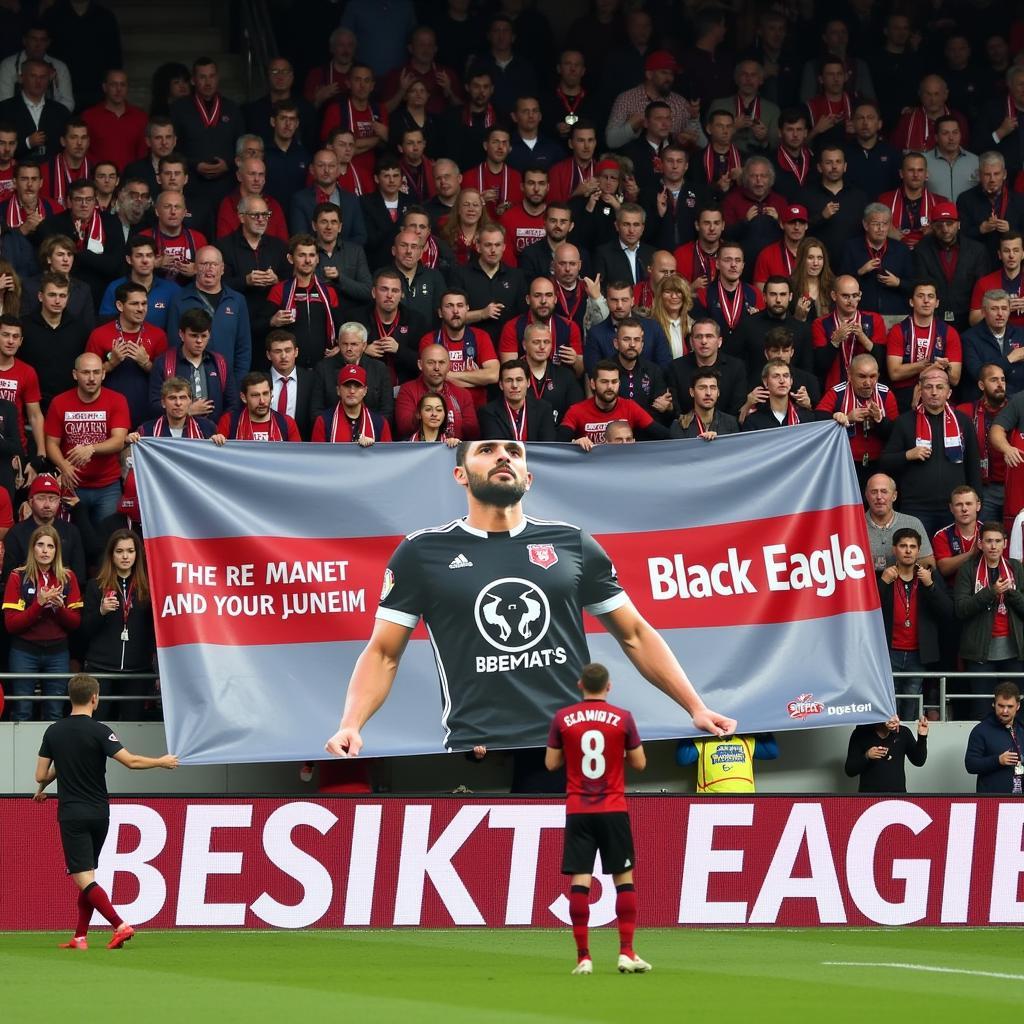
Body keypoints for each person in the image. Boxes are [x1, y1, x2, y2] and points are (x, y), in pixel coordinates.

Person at [325, 440, 735, 755]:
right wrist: (351, 724)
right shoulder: (422, 551)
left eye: (514, 452)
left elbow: (635, 634)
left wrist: (695, 707)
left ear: (528, 477)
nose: (503, 457)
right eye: (487, 450)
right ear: (460, 475)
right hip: (479, 751)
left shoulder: (572, 543)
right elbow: (382, 653)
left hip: (573, 746)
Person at [33, 672, 177, 950]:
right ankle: (80, 936)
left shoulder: (54, 731)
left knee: (83, 877)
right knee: (88, 876)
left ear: (70, 697)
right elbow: (131, 762)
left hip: (72, 813)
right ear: (94, 698)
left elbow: (41, 773)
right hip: (100, 813)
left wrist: (44, 785)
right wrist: (161, 761)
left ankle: (120, 925)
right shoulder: (100, 730)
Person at [544, 662, 650, 976]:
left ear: (580, 685)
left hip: (579, 809)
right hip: (613, 809)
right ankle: (626, 952)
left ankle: (583, 958)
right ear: (609, 686)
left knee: (580, 880)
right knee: (623, 879)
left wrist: (569, 751)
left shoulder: (563, 718)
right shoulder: (623, 718)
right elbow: (640, 763)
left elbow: (551, 764)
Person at [880, 366, 981, 538]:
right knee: (916, 560)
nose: (934, 392)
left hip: (955, 506)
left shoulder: (963, 422)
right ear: (920, 391)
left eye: (940, 387)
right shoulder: (904, 422)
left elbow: (973, 466)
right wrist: (908, 455)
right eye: (928, 387)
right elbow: (885, 462)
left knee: (954, 559)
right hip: (916, 507)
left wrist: (977, 502)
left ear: (949, 392)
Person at [3, 524, 82, 721]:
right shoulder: (17, 576)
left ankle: (51, 753)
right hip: (24, 652)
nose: (45, 550)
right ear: (32, 548)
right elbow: (11, 625)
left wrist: (58, 608)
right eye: (40, 545)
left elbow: (75, 624)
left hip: (58, 652)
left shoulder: (68, 577)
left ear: (57, 550)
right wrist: (38, 604)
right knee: (22, 711)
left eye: (50, 546)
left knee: (54, 712)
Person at [44, 353, 129, 527]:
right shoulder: (59, 402)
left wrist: (91, 448)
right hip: (72, 484)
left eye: (97, 372)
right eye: (86, 372)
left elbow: (119, 441)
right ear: (75, 374)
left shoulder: (117, 400)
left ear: (103, 374)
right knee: (70, 541)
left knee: (107, 543)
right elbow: (51, 443)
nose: (91, 378)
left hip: (108, 486)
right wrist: (63, 465)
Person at [877, 526, 953, 719]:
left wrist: (930, 585)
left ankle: (905, 744)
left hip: (918, 654)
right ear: (894, 549)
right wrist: (883, 583)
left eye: (912, 546)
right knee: (889, 702)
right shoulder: (885, 576)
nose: (908, 550)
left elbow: (948, 613)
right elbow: (869, 613)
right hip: (889, 651)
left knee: (911, 702)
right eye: (903, 546)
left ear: (919, 550)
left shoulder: (928, 577)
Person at [80, 530, 156, 721]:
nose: (125, 556)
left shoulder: (148, 587)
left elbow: (155, 631)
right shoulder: (95, 586)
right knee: (99, 723)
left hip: (137, 669)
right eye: (119, 551)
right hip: (101, 667)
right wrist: (101, 612)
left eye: (130, 551)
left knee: (134, 724)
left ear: (137, 554)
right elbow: (84, 630)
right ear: (111, 555)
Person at [954, 521, 1024, 719]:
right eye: (988, 541)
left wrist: (1012, 593)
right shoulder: (968, 569)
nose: (993, 546)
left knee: (1015, 713)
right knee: (982, 712)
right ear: (980, 544)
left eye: (997, 541)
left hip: (1014, 652)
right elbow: (960, 609)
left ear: (1005, 543)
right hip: (979, 652)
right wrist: (991, 592)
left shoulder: (1016, 568)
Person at [559, 361, 671, 447]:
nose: (610, 387)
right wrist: (574, 444)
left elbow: (665, 435)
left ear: (619, 383)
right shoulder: (576, 411)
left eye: (614, 382)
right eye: (604, 382)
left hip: (622, 467)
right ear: (593, 384)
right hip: (591, 469)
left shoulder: (630, 407)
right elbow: (558, 443)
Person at [964, 681, 1024, 792]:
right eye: (1001, 706)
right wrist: (998, 760)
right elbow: (970, 765)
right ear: (993, 704)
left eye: (1010, 706)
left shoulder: (1022, 729)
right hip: (992, 803)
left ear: (1018, 706)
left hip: (1020, 802)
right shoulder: (981, 731)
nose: (1005, 711)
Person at [845, 714, 928, 793]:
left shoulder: (903, 732)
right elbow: (850, 771)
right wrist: (867, 756)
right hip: (869, 796)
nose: (893, 720)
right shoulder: (860, 733)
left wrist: (922, 737)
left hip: (897, 796)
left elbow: (919, 761)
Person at [310, 364, 391, 445]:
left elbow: (387, 455)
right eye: (347, 386)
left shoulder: (380, 423)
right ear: (338, 390)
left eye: (357, 386)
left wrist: (372, 449)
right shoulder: (323, 421)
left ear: (365, 391)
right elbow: (317, 455)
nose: (352, 391)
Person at [477, 358, 555, 441]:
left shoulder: (543, 409)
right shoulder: (488, 412)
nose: (514, 385)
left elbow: (547, 446)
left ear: (528, 383)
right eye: (509, 380)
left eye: (519, 380)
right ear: (501, 385)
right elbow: (497, 446)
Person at [676, 733, 779, 793]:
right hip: (711, 800)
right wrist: (689, 730)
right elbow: (683, 759)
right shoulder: (703, 741)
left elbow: (772, 752)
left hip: (745, 800)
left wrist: (763, 727)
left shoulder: (746, 740)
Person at [217, 371, 302, 442]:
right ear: (243, 397)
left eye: (265, 394)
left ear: (271, 393)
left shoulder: (287, 423)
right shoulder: (228, 421)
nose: (262, 401)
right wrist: (215, 442)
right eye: (255, 395)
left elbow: (296, 457)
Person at [740, 358, 816, 431]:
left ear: (791, 381)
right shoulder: (753, 421)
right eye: (776, 376)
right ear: (765, 382)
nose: (782, 381)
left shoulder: (806, 418)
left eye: (786, 376)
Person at [671, 369, 739, 440]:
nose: (708, 393)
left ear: (718, 392)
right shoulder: (679, 425)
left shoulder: (730, 423)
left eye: (713, 388)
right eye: (702, 388)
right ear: (692, 392)